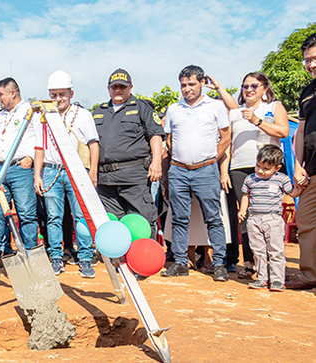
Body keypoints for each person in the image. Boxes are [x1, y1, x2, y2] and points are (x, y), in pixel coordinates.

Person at [161, 65, 231, 282]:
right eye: (183, 85)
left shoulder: (216, 107)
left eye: (192, 84)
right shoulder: (173, 109)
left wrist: (210, 159)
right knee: (180, 219)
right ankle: (181, 262)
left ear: (202, 83)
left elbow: (226, 138)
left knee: (213, 218)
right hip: (178, 170)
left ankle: (219, 263)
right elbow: (170, 140)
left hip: (206, 170)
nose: (187, 89)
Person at [220, 72, 289, 277]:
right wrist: (225, 171)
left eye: (254, 85)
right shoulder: (236, 113)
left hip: (270, 170)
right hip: (239, 169)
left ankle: (274, 266)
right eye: (245, 86)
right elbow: (227, 146)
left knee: (269, 215)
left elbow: (283, 131)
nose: (249, 89)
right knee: (246, 217)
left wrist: (257, 121)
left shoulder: (273, 107)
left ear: (265, 88)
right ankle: (251, 262)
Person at [34, 70, 99, 278]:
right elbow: (39, 148)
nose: (58, 99)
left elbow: (93, 144)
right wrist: (37, 175)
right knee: (53, 217)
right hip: (51, 171)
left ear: (71, 93)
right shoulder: (43, 117)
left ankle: (86, 258)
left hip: (78, 171)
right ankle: (55, 257)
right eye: (53, 94)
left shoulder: (83, 115)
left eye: (62, 94)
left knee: (81, 216)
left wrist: (93, 171)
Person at [0, 77, 38, 269]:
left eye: (0, 94)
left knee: (26, 212)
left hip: (21, 168)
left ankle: (29, 254)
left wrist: (33, 158)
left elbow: (41, 140)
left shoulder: (31, 111)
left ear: (13, 93)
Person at [93, 69, 164, 239]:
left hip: (134, 178)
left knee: (141, 222)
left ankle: (144, 263)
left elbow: (155, 135)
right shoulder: (98, 111)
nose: (118, 90)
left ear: (130, 87)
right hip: (106, 181)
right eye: (114, 86)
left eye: (122, 86)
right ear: (108, 88)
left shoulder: (141, 107)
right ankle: (120, 264)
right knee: (113, 226)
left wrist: (157, 162)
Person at [238, 145, 303, 291]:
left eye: (266, 168)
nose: (260, 171)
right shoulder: (250, 179)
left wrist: (299, 188)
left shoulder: (282, 179)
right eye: (258, 166)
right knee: (258, 251)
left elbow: (291, 193)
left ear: (277, 168)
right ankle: (262, 278)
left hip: (273, 220)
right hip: (254, 219)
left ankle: (277, 280)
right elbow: (246, 196)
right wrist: (242, 210)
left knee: (276, 251)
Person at [287, 33, 316, 290]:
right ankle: (310, 275)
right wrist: (298, 164)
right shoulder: (307, 92)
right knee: (306, 221)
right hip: (312, 171)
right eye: (308, 60)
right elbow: (301, 133)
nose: (312, 64)